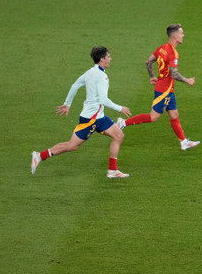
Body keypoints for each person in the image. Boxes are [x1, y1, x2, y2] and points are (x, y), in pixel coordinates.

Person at [31, 47, 132, 179]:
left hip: (99, 117)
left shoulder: (90, 72)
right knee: (72, 146)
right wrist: (120, 108)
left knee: (118, 135)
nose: (110, 59)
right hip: (90, 119)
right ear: (102, 59)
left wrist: (67, 104)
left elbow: (75, 85)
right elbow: (103, 99)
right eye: (108, 56)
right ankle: (39, 156)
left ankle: (112, 170)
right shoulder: (102, 77)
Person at [116, 23, 200, 150]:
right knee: (153, 117)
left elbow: (148, 61)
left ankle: (184, 142)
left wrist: (152, 76)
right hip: (164, 90)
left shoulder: (162, 48)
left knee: (174, 114)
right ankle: (123, 123)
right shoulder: (173, 52)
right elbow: (174, 73)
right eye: (181, 33)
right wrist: (187, 80)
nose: (183, 35)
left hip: (167, 88)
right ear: (175, 35)